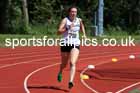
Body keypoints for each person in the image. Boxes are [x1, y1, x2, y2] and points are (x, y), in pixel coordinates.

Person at [57, 6, 86, 89]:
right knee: (64, 64)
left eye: (75, 12)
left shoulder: (79, 20)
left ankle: (70, 81)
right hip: (65, 43)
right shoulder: (65, 20)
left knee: (72, 62)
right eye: (72, 12)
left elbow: (82, 26)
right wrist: (67, 28)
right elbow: (58, 32)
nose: (74, 13)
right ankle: (60, 72)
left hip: (75, 44)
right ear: (69, 12)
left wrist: (84, 35)